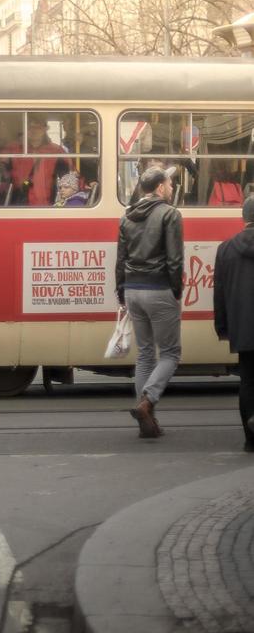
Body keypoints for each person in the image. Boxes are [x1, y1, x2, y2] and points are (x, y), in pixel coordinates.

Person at [116, 167, 184, 438]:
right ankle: (147, 402)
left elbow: (120, 258)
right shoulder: (170, 214)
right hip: (159, 289)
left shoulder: (127, 216)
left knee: (145, 354)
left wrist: (121, 291)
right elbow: (175, 259)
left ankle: (147, 421)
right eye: (168, 183)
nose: (170, 187)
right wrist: (176, 290)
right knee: (170, 353)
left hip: (133, 289)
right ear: (158, 188)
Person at [212, 195, 254, 453]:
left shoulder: (225, 249)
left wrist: (222, 326)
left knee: (248, 382)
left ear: (243, 218)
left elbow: (220, 292)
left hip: (244, 327)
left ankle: (250, 440)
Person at [9, 116, 67, 206]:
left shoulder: (55, 150)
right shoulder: (14, 149)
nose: (34, 131)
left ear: (45, 129)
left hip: (47, 203)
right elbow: (5, 175)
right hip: (20, 202)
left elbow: (68, 176)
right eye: (30, 127)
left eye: (38, 127)